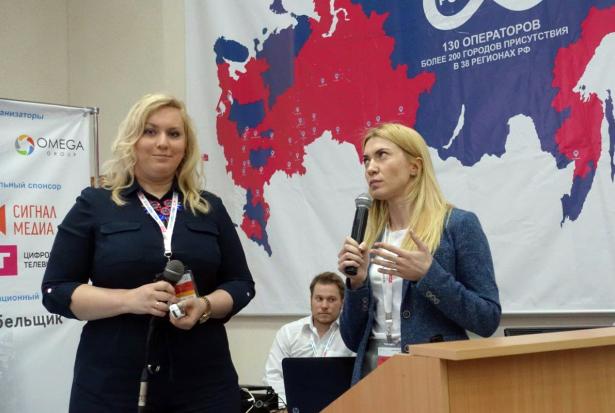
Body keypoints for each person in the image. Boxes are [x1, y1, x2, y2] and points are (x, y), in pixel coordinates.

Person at [41, 93, 255, 412]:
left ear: (186, 146)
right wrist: (129, 300)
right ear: (132, 140)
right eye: (150, 131)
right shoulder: (94, 204)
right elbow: (56, 290)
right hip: (112, 386)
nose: (162, 143)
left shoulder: (209, 208)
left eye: (174, 133)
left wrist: (205, 305)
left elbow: (241, 284)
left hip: (203, 385)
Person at [337, 123, 501, 384]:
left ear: (415, 166)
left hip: (434, 376)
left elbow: (486, 319)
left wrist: (429, 275)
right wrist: (356, 285)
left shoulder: (457, 225)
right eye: (366, 160)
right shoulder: (370, 237)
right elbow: (351, 339)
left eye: (382, 155)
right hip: (372, 377)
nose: (370, 168)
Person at [263, 272, 354, 405]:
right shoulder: (288, 333)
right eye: (319, 298)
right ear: (311, 300)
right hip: (295, 407)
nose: (324, 305)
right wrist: (288, 405)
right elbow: (272, 375)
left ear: (342, 302)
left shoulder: (352, 335)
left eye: (331, 299)